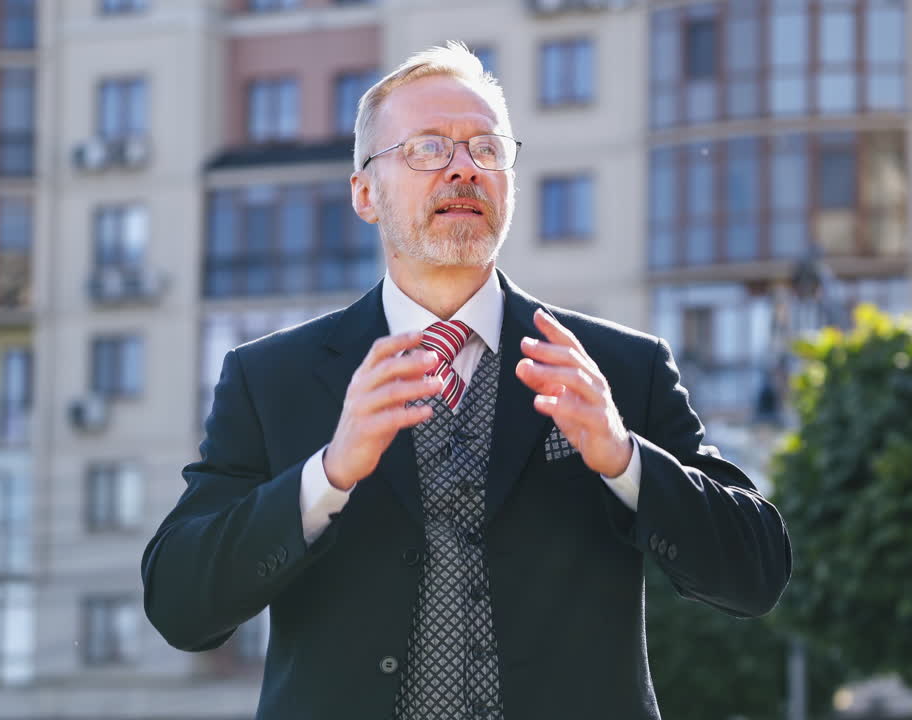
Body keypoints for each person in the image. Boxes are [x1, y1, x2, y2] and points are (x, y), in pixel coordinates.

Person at [141, 42, 791, 720]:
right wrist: (325, 477)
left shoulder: (617, 369)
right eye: (428, 148)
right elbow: (180, 607)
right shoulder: (269, 379)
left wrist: (625, 460)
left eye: (487, 149)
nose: (463, 169)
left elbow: (758, 574)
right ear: (364, 192)